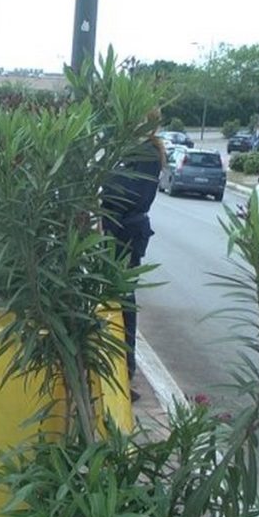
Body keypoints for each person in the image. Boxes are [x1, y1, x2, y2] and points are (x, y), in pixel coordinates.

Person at [101, 110, 166, 402]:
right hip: (114, 231)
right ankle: (115, 370)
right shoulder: (125, 147)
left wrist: (102, 188)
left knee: (124, 303)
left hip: (125, 234)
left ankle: (125, 372)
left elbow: (127, 194)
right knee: (115, 301)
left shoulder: (148, 152)